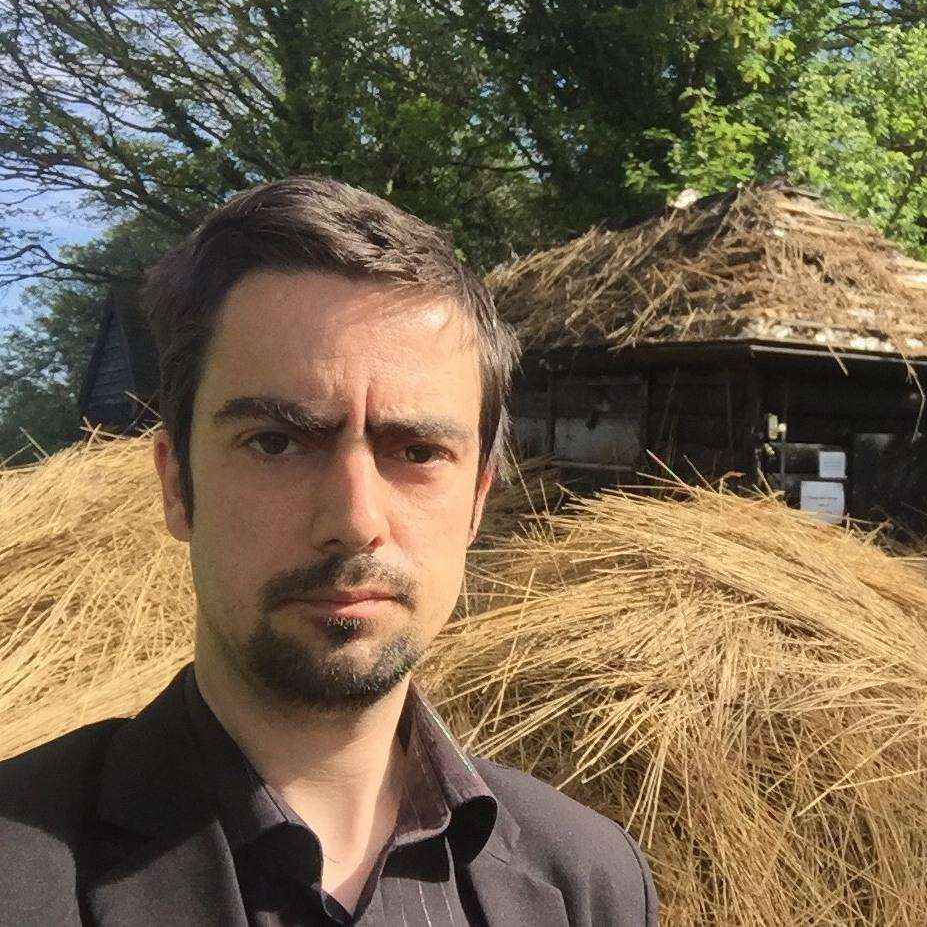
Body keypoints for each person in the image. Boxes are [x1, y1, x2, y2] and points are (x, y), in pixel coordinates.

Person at [0, 178, 659, 926]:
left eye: (416, 449)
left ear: (476, 500)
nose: (353, 518)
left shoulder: (590, 882)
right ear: (177, 484)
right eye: (276, 442)